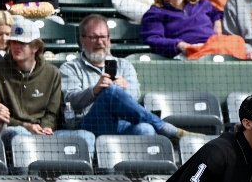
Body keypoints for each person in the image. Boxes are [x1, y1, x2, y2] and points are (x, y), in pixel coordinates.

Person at [60, 13, 186, 141]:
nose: (100, 42)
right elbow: (70, 100)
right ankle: (164, 127)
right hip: (91, 125)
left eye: (104, 37)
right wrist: (94, 91)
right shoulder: (70, 68)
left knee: (146, 129)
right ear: (82, 40)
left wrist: (125, 89)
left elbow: (135, 95)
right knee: (111, 91)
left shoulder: (124, 65)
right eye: (94, 37)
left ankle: (155, 135)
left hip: (122, 123)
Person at [0, 18, 92, 151]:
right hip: (13, 130)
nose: (16, 46)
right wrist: (26, 126)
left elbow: (52, 113)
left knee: (86, 136)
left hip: (42, 132)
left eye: (22, 43)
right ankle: (25, 172)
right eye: (14, 41)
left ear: (35, 47)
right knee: (20, 134)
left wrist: (46, 128)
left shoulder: (52, 73)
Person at [141, 0, 226, 57]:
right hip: (187, 51)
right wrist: (178, 44)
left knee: (237, 41)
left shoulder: (202, 4)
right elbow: (153, 39)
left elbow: (217, 13)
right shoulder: (155, 12)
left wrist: (217, 21)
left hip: (214, 45)